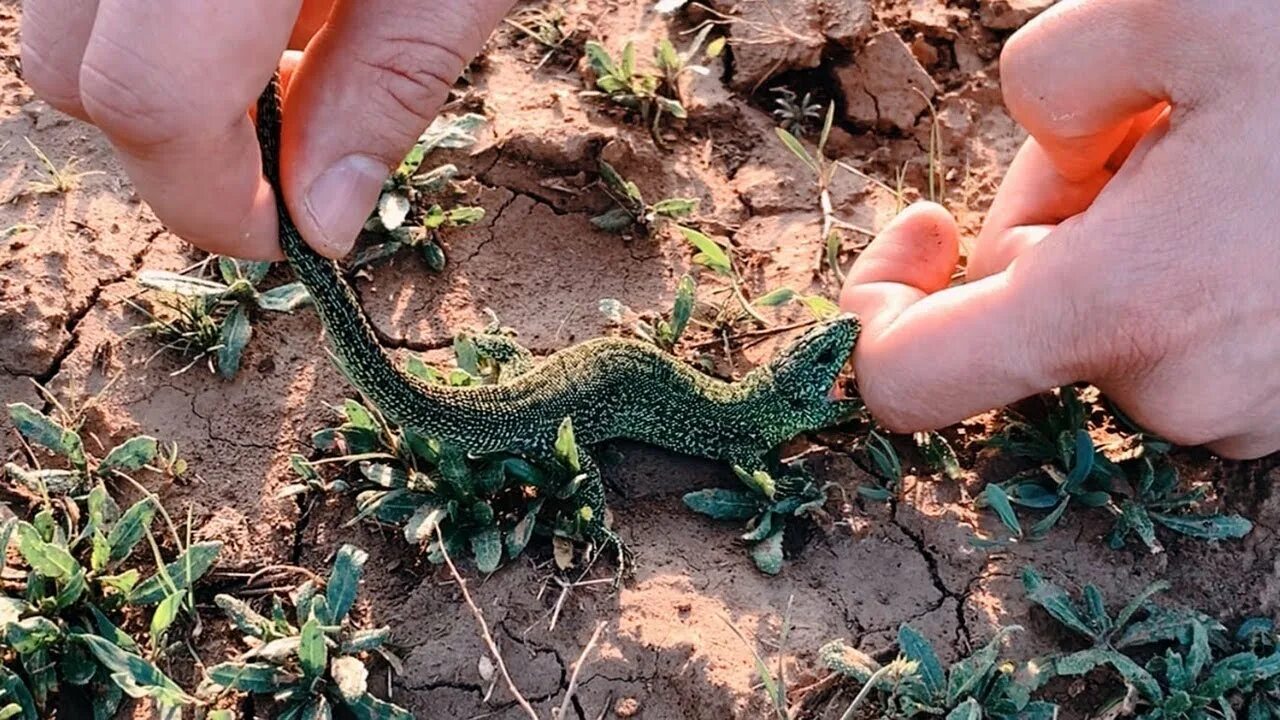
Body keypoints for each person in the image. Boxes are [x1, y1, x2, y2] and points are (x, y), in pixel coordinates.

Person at [21, 0, 1280, 459]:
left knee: (586, 385)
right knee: (511, 413)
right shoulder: (749, 433)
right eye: (822, 369)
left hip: (556, 396)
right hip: (500, 424)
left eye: (819, 367)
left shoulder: (754, 414)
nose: (826, 366)